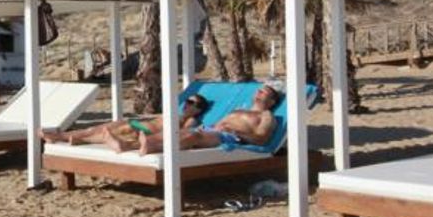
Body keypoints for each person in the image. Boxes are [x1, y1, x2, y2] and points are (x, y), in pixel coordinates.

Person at [138, 84, 280, 155]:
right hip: (212, 130)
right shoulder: (238, 109)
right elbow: (219, 124)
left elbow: (261, 139)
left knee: (194, 136)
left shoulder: (267, 116)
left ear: (272, 101)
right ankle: (143, 142)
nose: (258, 92)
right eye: (258, 90)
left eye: (263, 92)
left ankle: (153, 146)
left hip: (230, 137)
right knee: (184, 132)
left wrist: (235, 132)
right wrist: (212, 126)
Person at [42, 94, 209, 153]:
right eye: (187, 101)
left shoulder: (191, 120)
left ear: (198, 109)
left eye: (191, 102)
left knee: (108, 131)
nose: (186, 104)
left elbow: (182, 135)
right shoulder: (176, 113)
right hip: (139, 124)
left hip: (144, 131)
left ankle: (60, 137)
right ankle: (61, 136)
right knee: (96, 128)